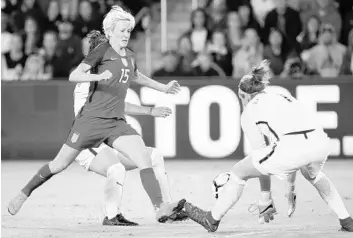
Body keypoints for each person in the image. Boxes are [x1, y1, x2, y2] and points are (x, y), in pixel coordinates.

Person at [8, 5, 185, 226]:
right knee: (59, 165)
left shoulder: (130, 55)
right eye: (121, 30)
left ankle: (160, 209)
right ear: (110, 32)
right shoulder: (101, 51)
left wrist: (163, 88)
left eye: (128, 31)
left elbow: (137, 76)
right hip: (89, 123)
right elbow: (74, 75)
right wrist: (99, 76)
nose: (126, 35)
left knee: (144, 157)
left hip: (116, 124)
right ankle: (24, 192)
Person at [183, 60, 353, 233]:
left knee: (239, 171)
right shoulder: (280, 95)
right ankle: (347, 220)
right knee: (313, 175)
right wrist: (291, 186)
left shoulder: (248, 113)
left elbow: (261, 156)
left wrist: (265, 196)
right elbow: (296, 150)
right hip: (320, 142)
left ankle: (211, 219)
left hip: (295, 146)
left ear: (244, 95)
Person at [72, 30, 187, 225]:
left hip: (108, 137)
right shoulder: (92, 76)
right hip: (89, 140)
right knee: (116, 169)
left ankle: (165, 209)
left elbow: (136, 75)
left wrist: (163, 88)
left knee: (153, 156)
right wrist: (150, 111)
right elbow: (117, 104)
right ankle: (111, 216)